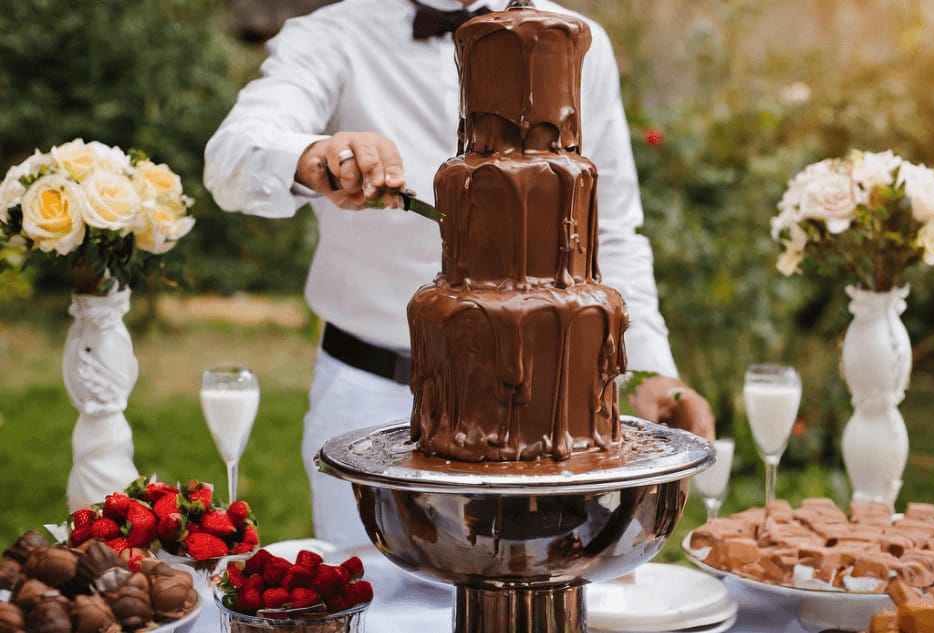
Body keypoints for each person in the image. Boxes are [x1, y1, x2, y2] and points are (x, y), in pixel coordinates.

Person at [204, 0, 713, 627]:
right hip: (370, 394)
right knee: (376, 614)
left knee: (548, 604)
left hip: (552, 416)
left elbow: (614, 228)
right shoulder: (334, 33)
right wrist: (314, 155)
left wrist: (651, 367)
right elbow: (232, 157)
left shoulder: (573, 39)